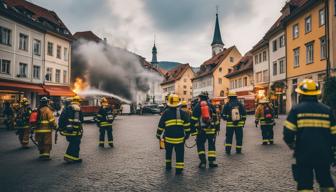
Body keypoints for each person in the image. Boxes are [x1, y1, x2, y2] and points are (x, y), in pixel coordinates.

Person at [284, 79, 336, 191]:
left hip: (303, 153)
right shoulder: (327, 110)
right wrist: (333, 152)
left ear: (301, 94)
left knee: (304, 184)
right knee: (326, 181)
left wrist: (293, 145)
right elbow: (334, 134)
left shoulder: (296, 110)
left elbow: (288, 133)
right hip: (324, 153)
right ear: (317, 94)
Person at [156, 94, 190, 175]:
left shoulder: (166, 113)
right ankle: (179, 169)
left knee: (168, 152)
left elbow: (161, 125)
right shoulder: (183, 113)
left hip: (168, 138)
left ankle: (168, 166)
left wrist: (158, 134)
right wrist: (187, 134)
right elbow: (187, 126)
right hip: (180, 139)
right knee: (179, 154)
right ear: (179, 103)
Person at [191, 92, 220, 168]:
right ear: (207, 97)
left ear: (200, 98)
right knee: (211, 145)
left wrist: (193, 130)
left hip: (201, 130)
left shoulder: (197, 106)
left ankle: (203, 162)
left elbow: (193, 119)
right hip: (211, 129)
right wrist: (217, 127)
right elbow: (216, 117)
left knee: (200, 145)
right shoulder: (211, 105)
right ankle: (211, 162)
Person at [58, 96, 84, 163]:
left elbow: (61, 118)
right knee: (75, 143)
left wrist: (61, 127)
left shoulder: (67, 108)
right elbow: (81, 120)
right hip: (75, 130)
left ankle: (73, 157)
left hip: (68, 129)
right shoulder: (77, 108)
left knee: (73, 142)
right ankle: (70, 157)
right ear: (78, 101)